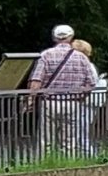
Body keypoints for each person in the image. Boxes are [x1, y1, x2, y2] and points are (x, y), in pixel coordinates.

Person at [24, 24, 97, 158]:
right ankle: (68, 163)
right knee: (69, 140)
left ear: (54, 38)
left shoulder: (46, 55)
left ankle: (45, 163)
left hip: (49, 102)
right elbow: (91, 82)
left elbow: (36, 81)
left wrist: (31, 100)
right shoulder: (82, 57)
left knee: (46, 139)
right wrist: (81, 96)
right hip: (73, 102)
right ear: (71, 37)